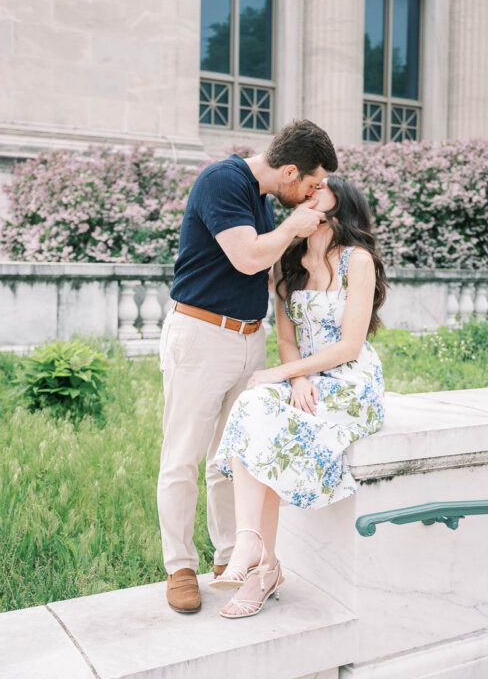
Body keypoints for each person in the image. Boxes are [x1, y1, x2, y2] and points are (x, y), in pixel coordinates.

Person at [158, 120, 337, 614]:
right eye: (313, 184)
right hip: (201, 334)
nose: (312, 194)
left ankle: (227, 558)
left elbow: (275, 267)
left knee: (232, 458)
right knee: (183, 457)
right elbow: (246, 258)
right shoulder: (223, 180)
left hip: (247, 338)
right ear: (291, 170)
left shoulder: (262, 197)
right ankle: (179, 567)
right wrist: (291, 227)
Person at [211, 175, 387, 618]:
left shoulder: (357, 261)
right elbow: (288, 339)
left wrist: (284, 373)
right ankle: (258, 553)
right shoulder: (288, 264)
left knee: (263, 417)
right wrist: (294, 380)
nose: (307, 197)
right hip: (305, 378)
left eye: (318, 191)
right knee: (254, 409)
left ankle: (260, 565)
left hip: (350, 381)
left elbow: (349, 346)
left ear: (337, 205)